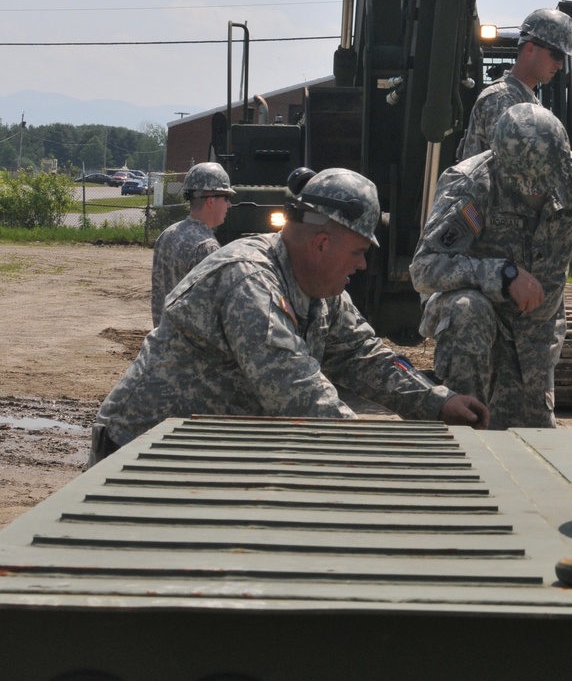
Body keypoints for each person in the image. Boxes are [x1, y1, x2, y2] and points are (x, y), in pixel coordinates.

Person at [91, 168, 489, 461]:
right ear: (320, 244)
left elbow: (362, 355)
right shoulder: (249, 279)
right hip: (138, 457)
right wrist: (374, 456)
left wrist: (437, 402)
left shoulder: (321, 291)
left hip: (197, 457)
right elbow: (298, 392)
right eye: (358, 252)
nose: (363, 265)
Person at [411, 102, 572, 429]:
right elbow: (425, 267)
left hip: (536, 336)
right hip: (476, 327)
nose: (538, 191)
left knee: (532, 444)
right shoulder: (472, 184)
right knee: (466, 310)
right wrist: (501, 275)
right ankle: (460, 432)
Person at [458, 7, 572, 158]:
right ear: (530, 49)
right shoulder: (502, 99)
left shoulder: (526, 100)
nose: (560, 65)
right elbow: (515, 166)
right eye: (557, 55)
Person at [150, 162, 233, 324]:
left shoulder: (167, 234)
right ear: (210, 201)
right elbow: (213, 307)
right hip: (191, 347)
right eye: (226, 197)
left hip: (163, 342)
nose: (229, 205)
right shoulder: (206, 246)